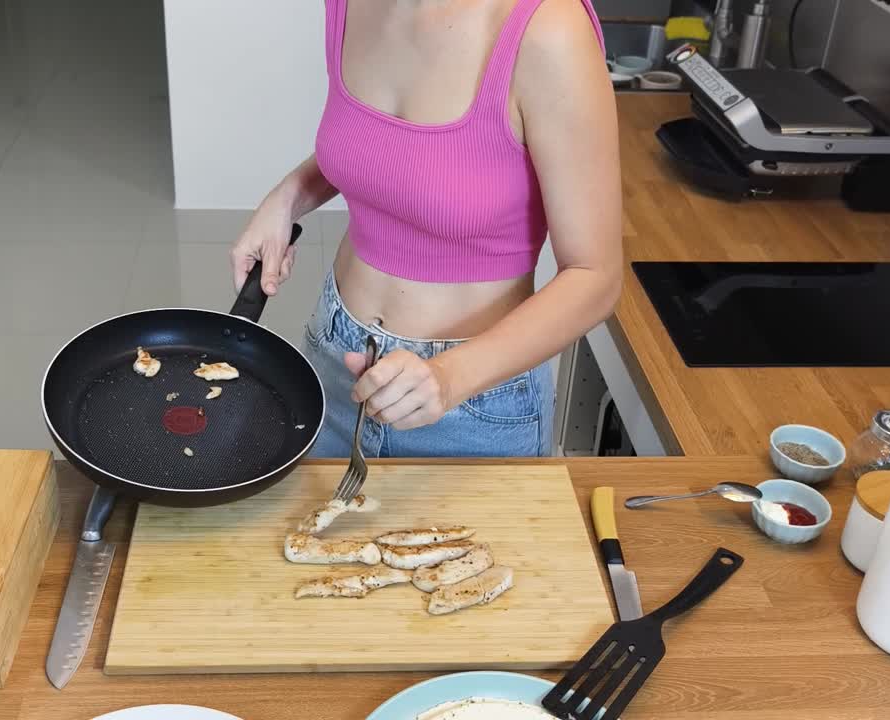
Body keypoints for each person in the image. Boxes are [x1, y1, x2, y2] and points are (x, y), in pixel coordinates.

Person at [230, 0, 622, 458]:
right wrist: (289, 196)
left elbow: (596, 276)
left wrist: (449, 377)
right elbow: (393, 151)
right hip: (334, 355)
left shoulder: (549, 29)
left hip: (471, 404)